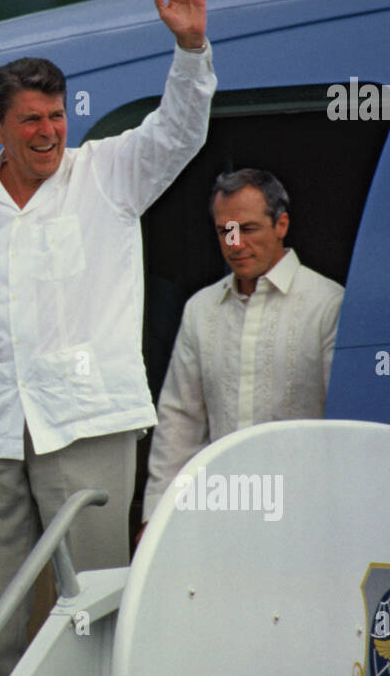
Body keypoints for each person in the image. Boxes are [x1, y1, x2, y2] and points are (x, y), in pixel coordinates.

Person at [0, 0, 217, 676]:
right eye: (32, 120)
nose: (50, 132)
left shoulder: (110, 172)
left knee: (92, 608)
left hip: (88, 421)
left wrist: (190, 52)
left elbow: (182, 130)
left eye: (57, 116)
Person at [142, 167, 344, 521]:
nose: (235, 244)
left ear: (281, 225)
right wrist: (157, 517)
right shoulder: (200, 309)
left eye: (247, 229)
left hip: (308, 508)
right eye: (225, 231)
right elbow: (179, 423)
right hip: (224, 512)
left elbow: (343, 424)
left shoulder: (329, 305)